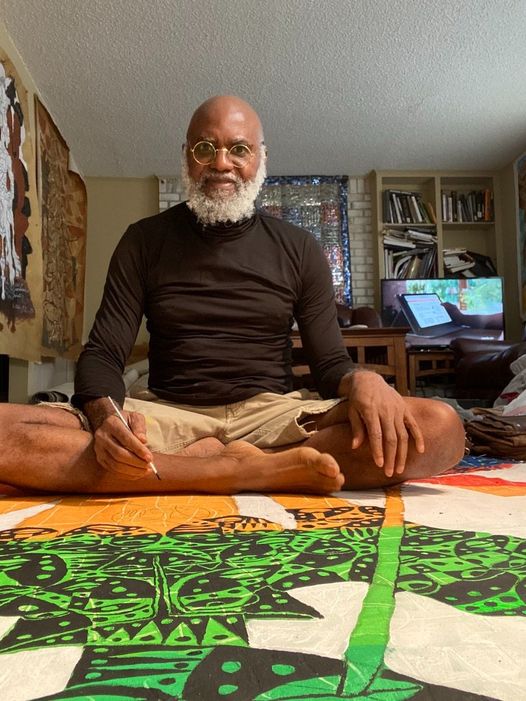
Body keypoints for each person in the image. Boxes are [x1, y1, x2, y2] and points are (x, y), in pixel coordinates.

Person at [0, 95, 465, 495]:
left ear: (261, 158)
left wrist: (364, 381)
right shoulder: (143, 240)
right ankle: (246, 471)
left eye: (238, 149)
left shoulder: (300, 247)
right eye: (206, 148)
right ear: (186, 156)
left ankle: (191, 472)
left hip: (275, 417)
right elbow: (103, 354)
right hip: (167, 414)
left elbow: (328, 368)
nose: (221, 163)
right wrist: (106, 419)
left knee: (440, 429)